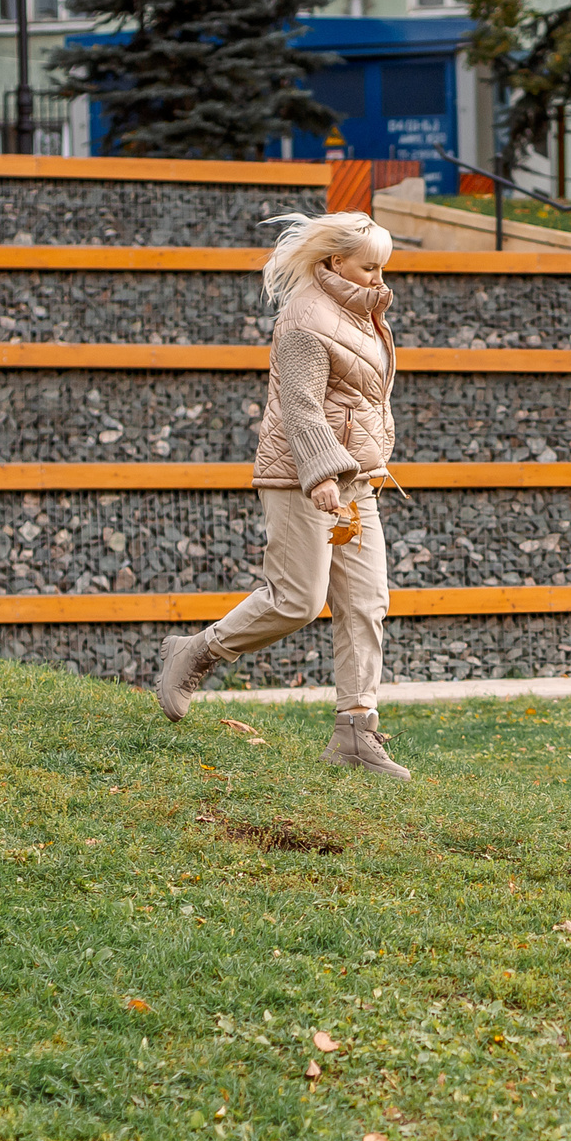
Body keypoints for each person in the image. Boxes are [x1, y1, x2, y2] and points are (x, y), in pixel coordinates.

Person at [152, 209, 410, 778]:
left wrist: (358, 468)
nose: (379, 278)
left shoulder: (361, 312)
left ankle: (355, 732)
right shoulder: (305, 318)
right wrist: (321, 476)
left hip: (356, 481)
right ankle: (196, 651)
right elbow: (301, 407)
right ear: (335, 261)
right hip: (301, 478)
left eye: (382, 268)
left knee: (366, 604)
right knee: (297, 600)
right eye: (370, 267)